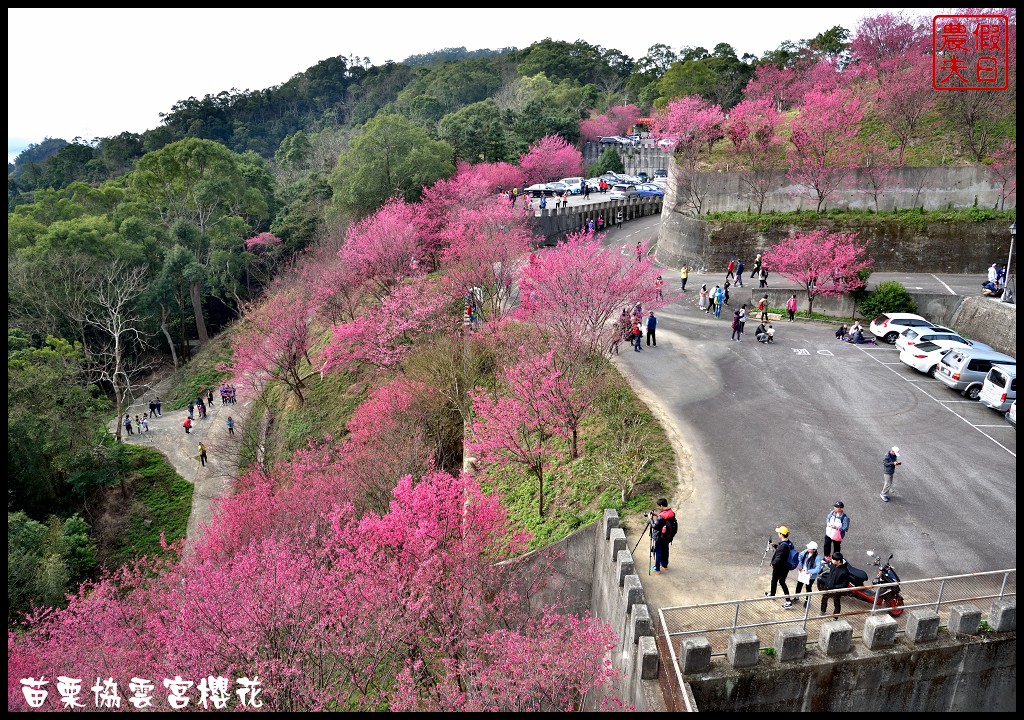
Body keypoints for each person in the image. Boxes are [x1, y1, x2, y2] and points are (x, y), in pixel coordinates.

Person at [764, 525, 795, 607]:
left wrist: (773, 563)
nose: (778, 534)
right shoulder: (789, 543)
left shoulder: (783, 546)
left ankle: (774, 595)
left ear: (781, 534)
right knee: (782, 582)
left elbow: (779, 557)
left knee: (774, 580)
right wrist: (774, 545)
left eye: (779, 533)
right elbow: (783, 551)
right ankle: (786, 600)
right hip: (786, 567)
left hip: (779, 567)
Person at [819, 552, 851, 617]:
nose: (831, 560)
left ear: (838, 561)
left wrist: (834, 587)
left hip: (836, 591)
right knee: (824, 599)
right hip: (827, 587)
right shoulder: (833, 565)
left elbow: (844, 584)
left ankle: (835, 617)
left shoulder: (844, 571)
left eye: (833, 559)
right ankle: (822, 611)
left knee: (836, 603)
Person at [649, 498, 676, 574]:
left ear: (661, 506)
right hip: (668, 536)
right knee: (665, 550)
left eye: (659, 506)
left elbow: (654, 526)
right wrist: (657, 515)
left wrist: (650, 519)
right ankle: (664, 565)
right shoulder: (671, 513)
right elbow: (664, 518)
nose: (659, 507)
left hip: (660, 537)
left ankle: (657, 569)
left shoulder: (661, 517)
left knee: (658, 552)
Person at [793, 541, 823, 607]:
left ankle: (807, 600)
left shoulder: (817, 558)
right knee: (799, 585)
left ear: (814, 550)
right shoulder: (805, 552)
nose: (808, 549)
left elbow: (818, 569)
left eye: (809, 548)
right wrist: (800, 565)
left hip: (810, 576)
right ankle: (796, 597)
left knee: (808, 587)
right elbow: (800, 556)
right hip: (803, 572)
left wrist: (809, 571)